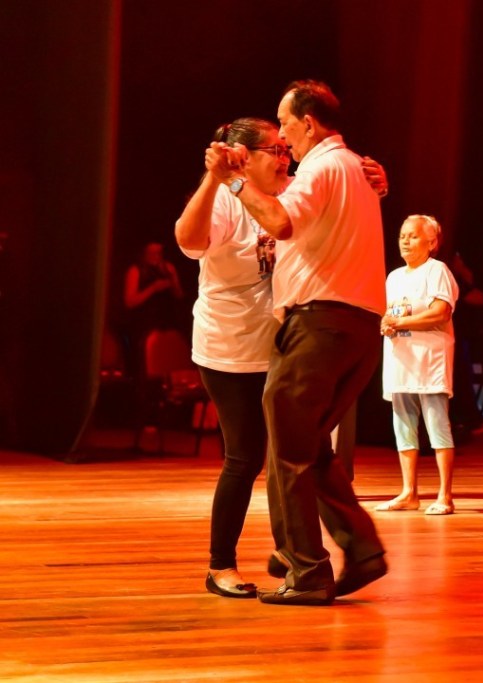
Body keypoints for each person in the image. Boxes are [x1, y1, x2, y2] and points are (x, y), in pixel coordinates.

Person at [176, 117, 389, 599]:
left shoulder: (292, 188)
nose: (286, 154)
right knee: (245, 455)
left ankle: (294, 551)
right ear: (243, 157)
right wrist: (215, 178)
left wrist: (372, 185)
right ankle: (221, 565)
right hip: (229, 346)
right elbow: (188, 241)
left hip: (281, 342)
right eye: (273, 149)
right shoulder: (228, 198)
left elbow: (332, 210)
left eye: (285, 146)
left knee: (300, 448)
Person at [377, 215, 459, 516]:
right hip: (400, 358)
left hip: (429, 358)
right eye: (402, 235)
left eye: (413, 235)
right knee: (403, 427)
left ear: (432, 242)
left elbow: (441, 312)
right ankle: (409, 492)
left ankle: (444, 495)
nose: (405, 241)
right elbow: (390, 312)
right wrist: (387, 322)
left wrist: (400, 322)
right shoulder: (394, 276)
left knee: (437, 425)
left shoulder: (437, 270)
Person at [123, 241, 185, 375]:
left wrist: (172, 280)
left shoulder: (168, 267)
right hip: (144, 322)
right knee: (146, 362)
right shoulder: (136, 270)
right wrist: (153, 288)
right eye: (152, 253)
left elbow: (179, 295)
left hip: (166, 320)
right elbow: (130, 301)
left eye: (159, 253)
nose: (156, 256)